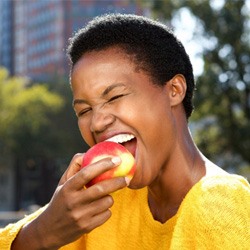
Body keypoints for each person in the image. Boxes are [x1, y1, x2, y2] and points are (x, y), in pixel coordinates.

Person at [1, 14, 249, 250]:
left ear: (174, 89)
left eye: (115, 96)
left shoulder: (219, 203)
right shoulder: (101, 204)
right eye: (84, 110)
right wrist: (41, 234)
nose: (97, 123)